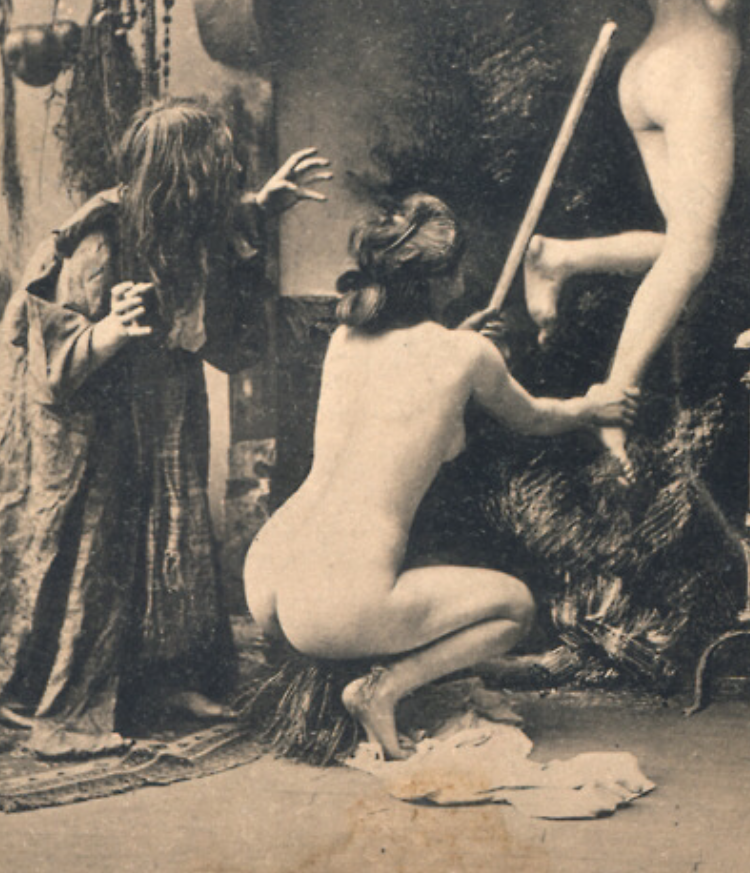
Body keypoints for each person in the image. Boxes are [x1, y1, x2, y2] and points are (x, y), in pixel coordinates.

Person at [243, 193, 638, 760]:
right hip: (335, 601)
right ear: (442, 280)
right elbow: (535, 418)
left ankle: (359, 688)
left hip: (270, 567)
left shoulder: (345, 338)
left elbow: (403, 376)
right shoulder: (468, 355)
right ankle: (382, 691)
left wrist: (459, 338)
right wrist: (592, 407)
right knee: (516, 606)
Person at [0, 98, 331, 758]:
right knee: (102, 550)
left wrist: (261, 208)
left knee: (173, 538)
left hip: (164, 403)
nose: (229, 176)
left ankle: (165, 682)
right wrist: (108, 332)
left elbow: (214, 254)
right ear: (182, 178)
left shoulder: (180, 219)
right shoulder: (100, 236)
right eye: (216, 169)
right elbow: (48, 349)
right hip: (91, 422)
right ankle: (60, 706)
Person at [524, 0, 750, 480]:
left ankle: (560, 257)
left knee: (683, 247)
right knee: (693, 251)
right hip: (695, 67)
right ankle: (613, 398)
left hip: (646, 66)